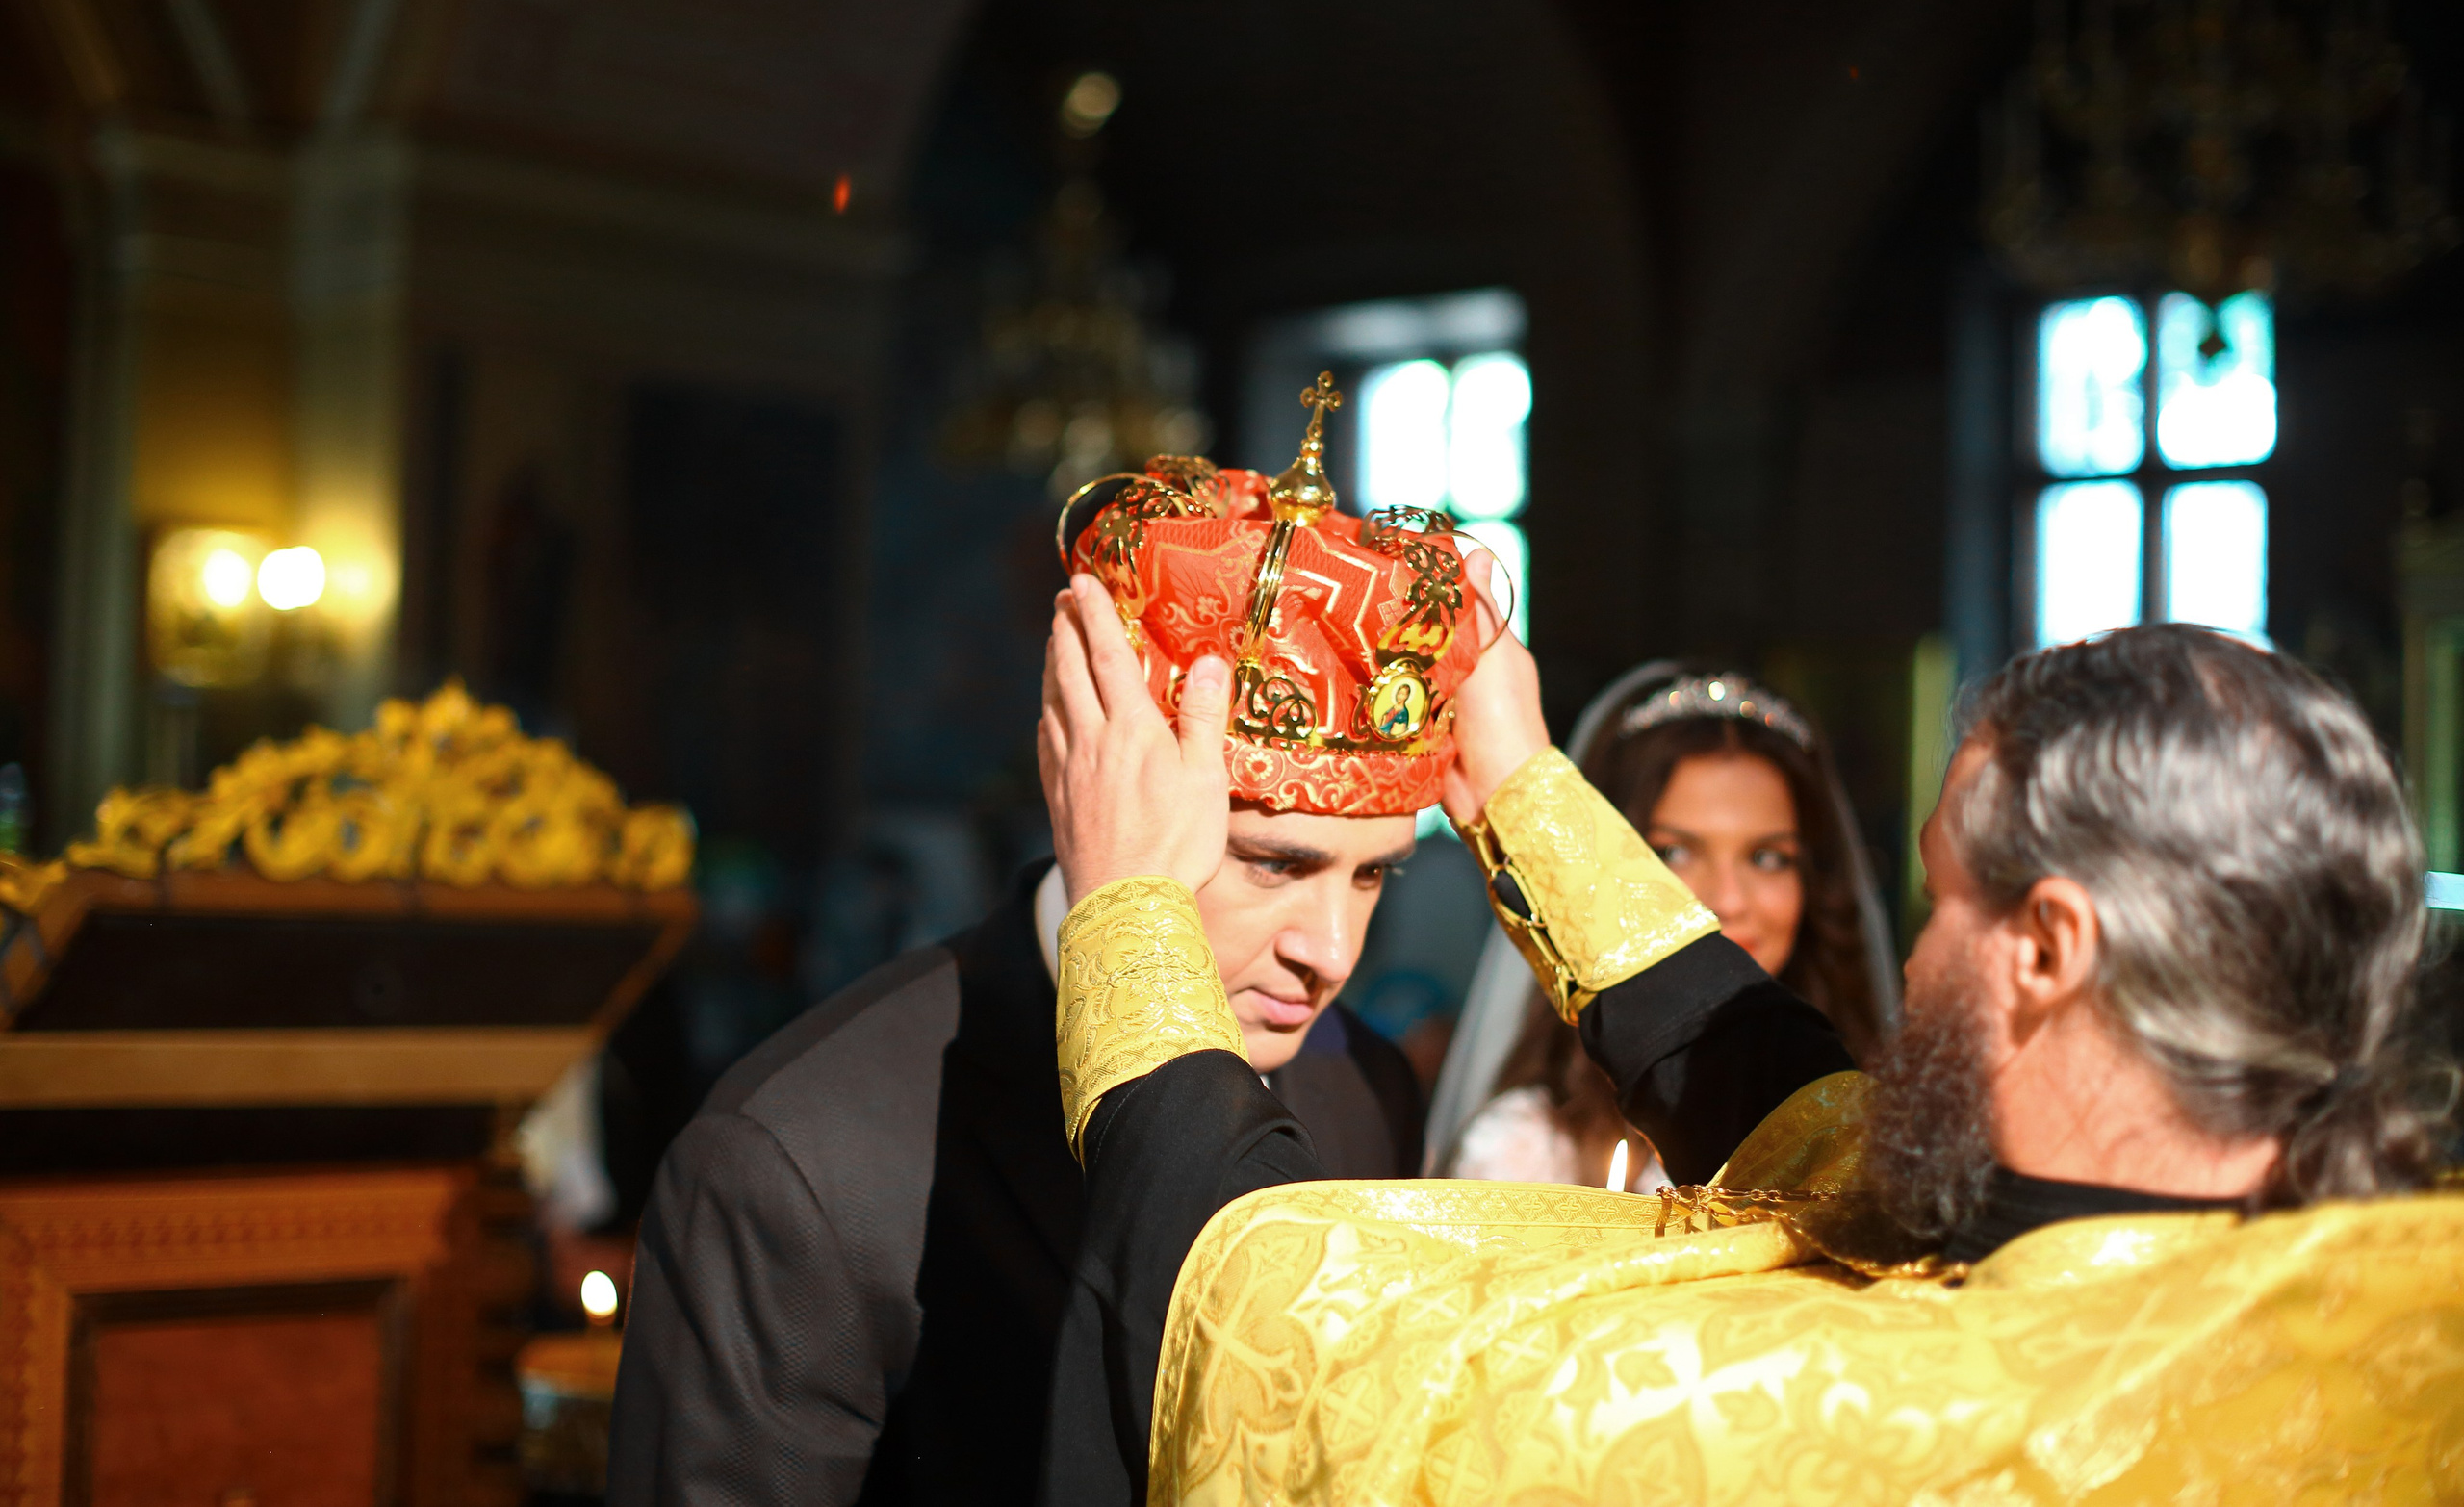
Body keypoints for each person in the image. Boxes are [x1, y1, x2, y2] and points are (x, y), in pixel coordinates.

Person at [1040, 607, 2464, 1504]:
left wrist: (1131, 912)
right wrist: (1523, 789)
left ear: (2048, 946)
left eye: (1945, 899)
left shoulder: (1908, 1427)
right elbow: (1821, 1137)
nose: (1907, 961)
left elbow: (1264, 1314)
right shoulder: (2388, 1300)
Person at [605, 416, 1438, 1505]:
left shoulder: (1355, 1087)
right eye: (1273, 865)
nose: (1329, 953)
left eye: (1371, 876)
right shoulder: (801, 1161)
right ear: (1098, 796)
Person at [1434, 663, 1897, 1188]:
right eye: (1675, 853)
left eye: (1767, 858)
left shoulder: (1881, 1126)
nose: (1728, 899)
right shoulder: (1525, 1150)